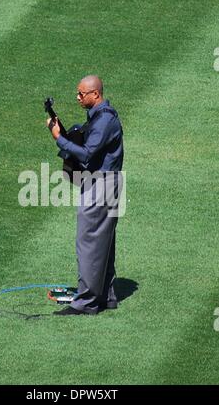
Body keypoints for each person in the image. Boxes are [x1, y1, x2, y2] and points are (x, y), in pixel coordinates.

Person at [47, 75, 124, 315]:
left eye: (82, 93)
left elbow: (87, 154)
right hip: (107, 183)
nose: (78, 97)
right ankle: (106, 296)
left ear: (95, 94)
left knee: (89, 242)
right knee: (104, 242)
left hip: (100, 185)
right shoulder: (101, 117)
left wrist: (59, 139)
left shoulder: (104, 120)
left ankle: (87, 302)